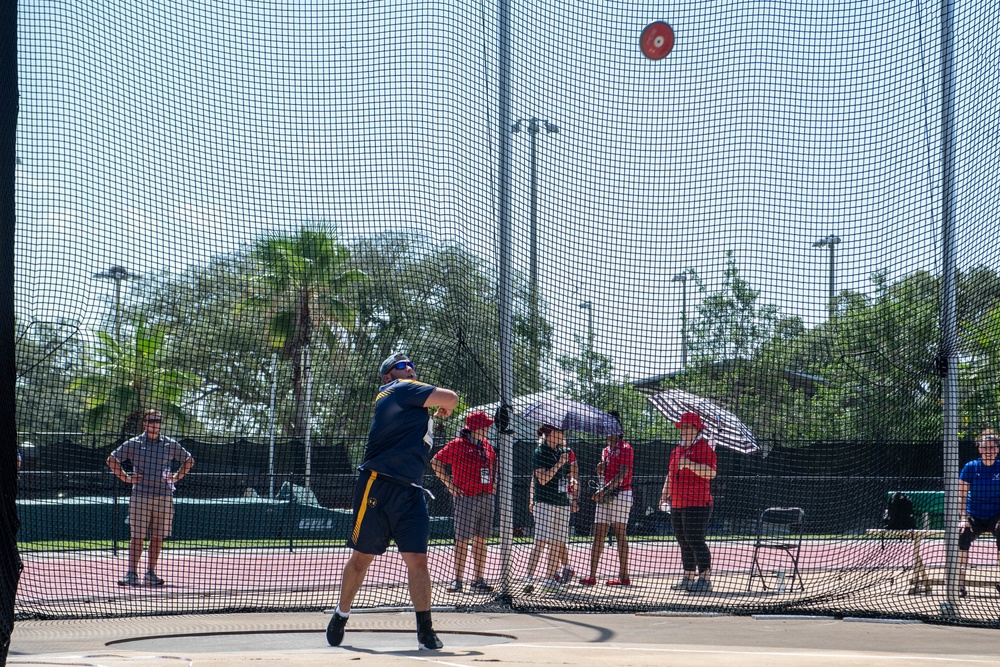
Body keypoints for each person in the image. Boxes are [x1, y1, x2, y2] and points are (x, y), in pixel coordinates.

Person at [327, 353, 459, 651]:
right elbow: (451, 397)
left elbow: (448, 402)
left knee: (418, 561)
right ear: (387, 376)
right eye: (400, 366)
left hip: (411, 491)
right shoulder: (397, 389)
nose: (409, 368)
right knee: (362, 559)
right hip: (378, 484)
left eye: (411, 365)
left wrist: (441, 405)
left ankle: (425, 629)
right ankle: (340, 615)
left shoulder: (412, 399)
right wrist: (443, 404)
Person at [106, 409, 194, 587]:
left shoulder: (169, 444)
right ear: (145, 423)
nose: (155, 424)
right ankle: (131, 574)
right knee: (137, 536)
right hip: (140, 496)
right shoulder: (134, 443)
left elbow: (189, 460)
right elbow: (112, 460)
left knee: (157, 536)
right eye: (152, 421)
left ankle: (150, 573)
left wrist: (176, 477)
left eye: (158, 421)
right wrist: (126, 478)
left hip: (164, 497)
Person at [431, 409, 497, 594]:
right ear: (476, 427)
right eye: (485, 425)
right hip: (466, 497)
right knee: (462, 540)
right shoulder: (458, 444)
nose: (488, 428)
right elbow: (436, 462)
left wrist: (494, 484)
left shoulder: (486, 445)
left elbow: (492, 465)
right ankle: (458, 580)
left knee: (481, 540)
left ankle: (478, 580)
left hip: (486, 496)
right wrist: (450, 486)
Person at [659, 411, 717, 594]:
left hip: (698, 502)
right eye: (681, 427)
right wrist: (663, 495)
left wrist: (689, 464)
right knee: (683, 540)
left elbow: (711, 473)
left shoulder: (704, 448)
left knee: (695, 539)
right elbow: (670, 473)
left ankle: (705, 578)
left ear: (696, 428)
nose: (683, 430)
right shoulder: (677, 450)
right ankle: (688, 576)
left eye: (686, 427)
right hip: (677, 502)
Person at [580, 413, 633, 586]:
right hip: (605, 495)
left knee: (619, 534)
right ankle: (592, 575)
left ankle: (624, 576)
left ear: (618, 429)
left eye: (609, 427)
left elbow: (622, 474)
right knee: (598, 534)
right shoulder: (605, 450)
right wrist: (599, 468)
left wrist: (604, 489)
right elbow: (602, 472)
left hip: (620, 494)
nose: (605, 430)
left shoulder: (625, 447)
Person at [524, 424, 578, 593]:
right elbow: (543, 480)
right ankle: (529, 579)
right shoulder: (540, 452)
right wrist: (559, 464)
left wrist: (572, 482)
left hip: (562, 502)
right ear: (551, 433)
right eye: (560, 431)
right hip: (544, 502)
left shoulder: (562, 451)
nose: (563, 434)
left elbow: (568, 475)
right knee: (540, 541)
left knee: (557, 542)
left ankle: (549, 580)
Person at [957, 429, 1000, 597]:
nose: (989, 451)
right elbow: (961, 495)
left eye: (992, 447)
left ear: (997, 449)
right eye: (985, 447)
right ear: (979, 449)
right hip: (973, 515)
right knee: (962, 535)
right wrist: (964, 518)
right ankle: (960, 584)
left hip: (996, 515)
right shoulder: (971, 467)